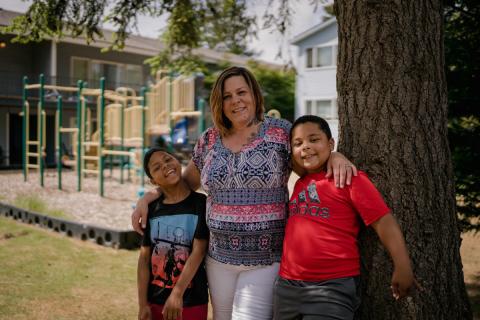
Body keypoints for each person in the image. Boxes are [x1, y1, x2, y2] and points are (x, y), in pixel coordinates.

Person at [132, 66, 357, 320]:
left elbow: (310, 160)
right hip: (218, 259)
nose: (235, 100)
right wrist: (149, 196)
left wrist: (335, 155)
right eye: (227, 96)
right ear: (220, 102)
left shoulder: (280, 133)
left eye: (241, 92)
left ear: (254, 94)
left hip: (265, 259)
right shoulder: (208, 140)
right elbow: (183, 185)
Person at [273, 115, 416, 320]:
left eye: (314, 140)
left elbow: (383, 221)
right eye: (298, 143)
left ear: (330, 143)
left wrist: (403, 266)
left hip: (331, 287)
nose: (305, 147)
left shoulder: (348, 177)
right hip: (287, 287)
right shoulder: (300, 181)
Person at [137, 147, 209, 320]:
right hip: (156, 301)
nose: (165, 166)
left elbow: (198, 251)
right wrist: (142, 304)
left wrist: (177, 295)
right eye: (156, 167)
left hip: (192, 300)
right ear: (153, 181)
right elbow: (144, 259)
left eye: (168, 159)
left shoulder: (201, 203)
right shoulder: (152, 210)